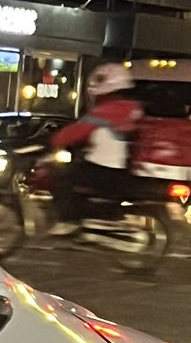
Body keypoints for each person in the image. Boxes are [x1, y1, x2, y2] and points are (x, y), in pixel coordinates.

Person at [47, 62, 144, 232]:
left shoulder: (107, 110)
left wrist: (54, 140)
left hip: (104, 168)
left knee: (61, 177)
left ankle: (68, 221)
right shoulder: (133, 108)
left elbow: (74, 133)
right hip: (123, 169)